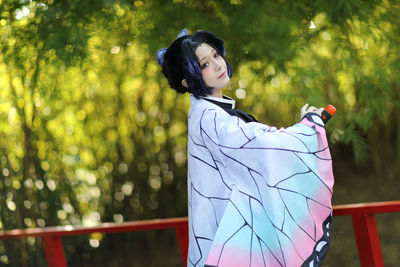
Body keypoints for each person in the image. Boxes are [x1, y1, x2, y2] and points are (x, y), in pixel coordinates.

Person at [157, 29, 334, 267]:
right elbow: (261, 144)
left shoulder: (206, 112)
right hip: (227, 240)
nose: (218, 65)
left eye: (216, 55)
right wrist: (307, 129)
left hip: (224, 238)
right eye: (204, 64)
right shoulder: (210, 117)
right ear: (187, 81)